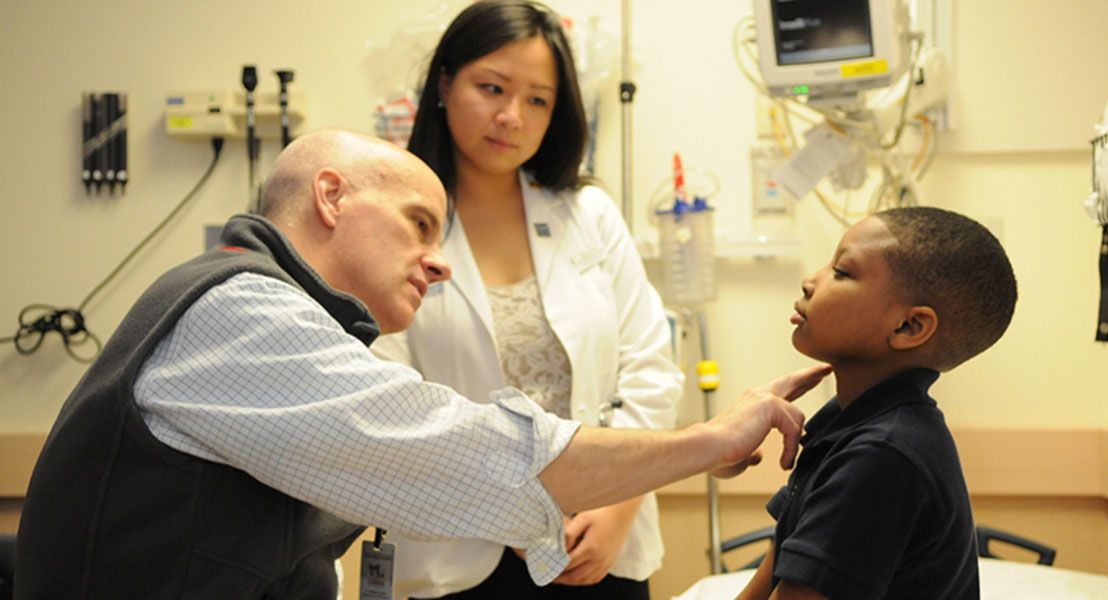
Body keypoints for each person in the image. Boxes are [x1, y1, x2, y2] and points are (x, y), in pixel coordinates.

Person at [14, 129, 830, 600]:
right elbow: (474, 455)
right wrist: (716, 439)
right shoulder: (238, 312)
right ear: (331, 199)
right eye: (416, 224)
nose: (438, 263)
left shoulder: (275, 313)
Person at [370, 2, 681, 598]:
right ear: (443, 83)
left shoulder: (587, 213)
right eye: (492, 88)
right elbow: (392, 394)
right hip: (459, 557)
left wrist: (616, 505)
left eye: (537, 99)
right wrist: (511, 506)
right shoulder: (391, 223)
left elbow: (651, 368)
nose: (511, 116)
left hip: (597, 545)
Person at [737, 207, 1018, 600]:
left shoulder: (883, 455)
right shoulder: (848, 424)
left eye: (842, 272)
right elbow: (778, 565)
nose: (810, 281)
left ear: (908, 327)